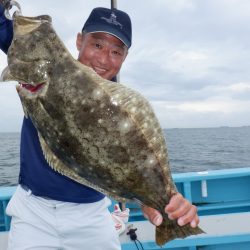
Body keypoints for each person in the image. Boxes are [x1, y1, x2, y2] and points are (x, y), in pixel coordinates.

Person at [0, 3, 199, 250]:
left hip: (91, 216)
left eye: (116, 52)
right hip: (32, 213)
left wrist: (159, 202)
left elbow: (134, 167)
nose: (104, 59)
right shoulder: (41, 67)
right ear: (79, 40)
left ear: (125, 57)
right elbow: (12, 34)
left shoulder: (122, 111)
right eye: (97, 45)